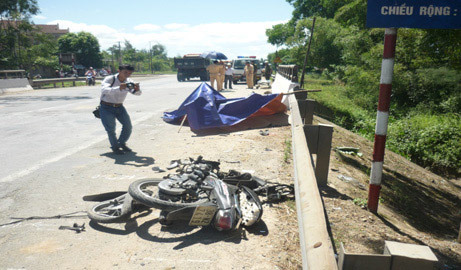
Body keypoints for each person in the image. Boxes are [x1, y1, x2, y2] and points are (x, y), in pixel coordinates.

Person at [99, 64, 141, 155]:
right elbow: (104, 90)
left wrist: (137, 89)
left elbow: (136, 93)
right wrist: (119, 87)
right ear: (119, 71)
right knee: (111, 129)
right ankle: (115, 147)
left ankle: (121, 143)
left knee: (128, 126)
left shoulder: (128, 81)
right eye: (125, 72)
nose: (127, 75)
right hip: (106, 107)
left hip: (119, 106)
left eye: (129, 73)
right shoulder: (110, 79)